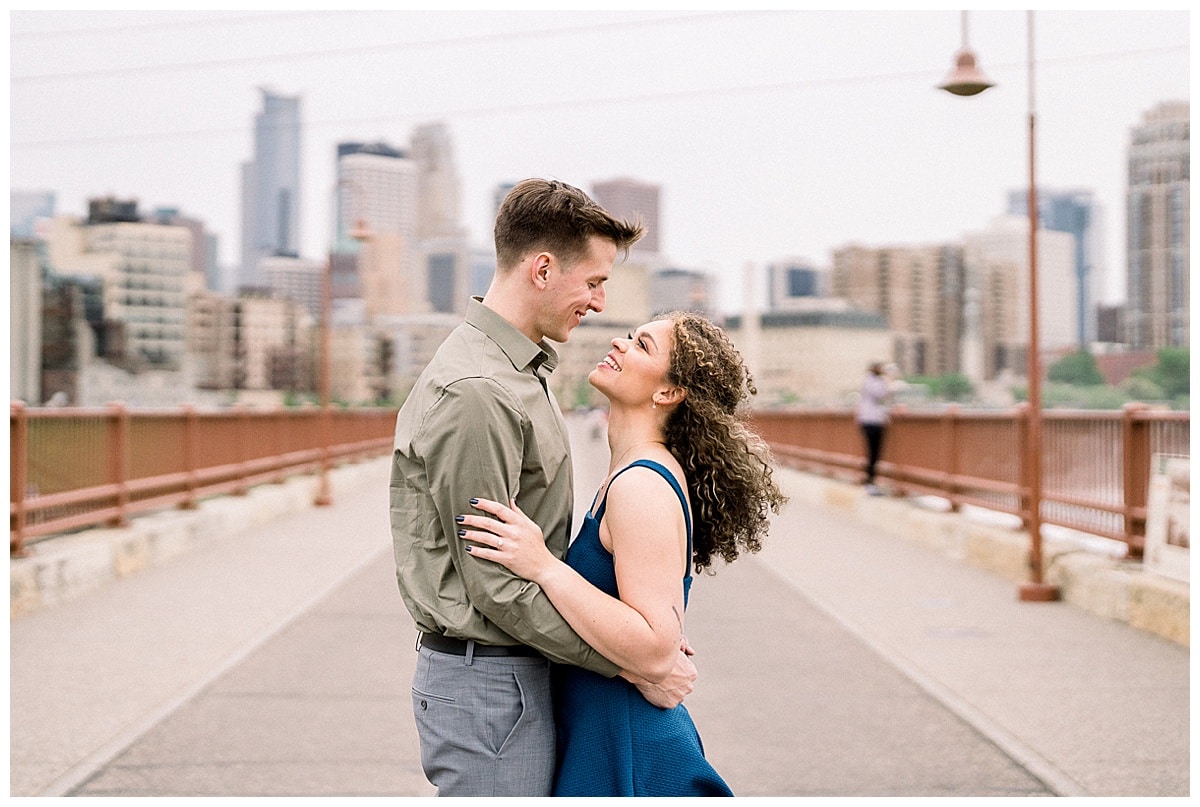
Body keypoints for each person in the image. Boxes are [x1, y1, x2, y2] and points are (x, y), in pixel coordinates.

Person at [389, 178, 698, 797]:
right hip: (490, 689)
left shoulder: (520, 371)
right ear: (543, 269)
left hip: (515, 678)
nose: (600, 302)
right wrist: (631, 664)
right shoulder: (481, 391)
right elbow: (497, 584)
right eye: (593, 282)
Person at [458, 311, 788, 796]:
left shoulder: (641, 486)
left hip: (628, 747)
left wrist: (543, 566)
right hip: (604, 730)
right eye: (632, 336)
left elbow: (656, 648)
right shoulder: (630, 473)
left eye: (643, 345)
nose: (619, 342)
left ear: (668, 393)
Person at [855, 361, 891, 495]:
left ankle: (869, 481)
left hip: (868, 420)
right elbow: (882, 394)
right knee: (873, 453)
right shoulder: (873, 382)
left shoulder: (868, 381)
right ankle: (869, 483)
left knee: (872, 453)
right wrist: (888, 380)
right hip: (872, 421)